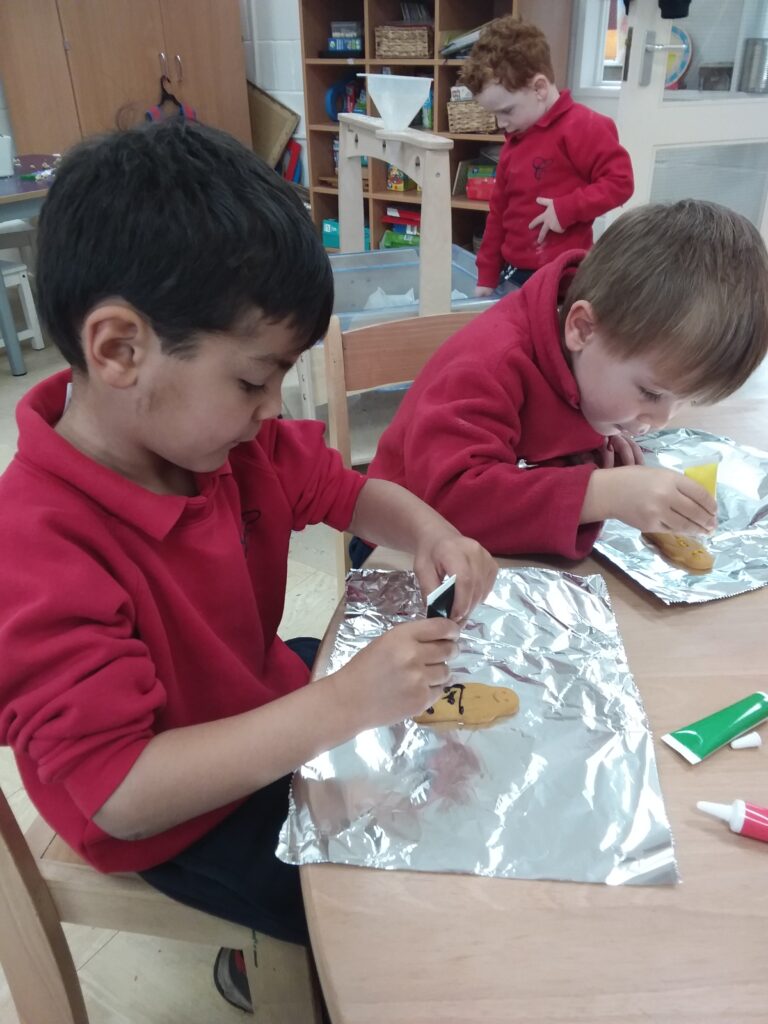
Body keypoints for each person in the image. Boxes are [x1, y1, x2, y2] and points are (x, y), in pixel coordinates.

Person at [0, 120, 497, 1014]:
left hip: (249, 699)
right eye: (253, 380)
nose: (274, 408)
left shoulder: (224, 446)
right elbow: (120, 792)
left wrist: (431, 533)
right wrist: (338, 706)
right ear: (119, 350)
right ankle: (262, 960)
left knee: (432, 742)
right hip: (171, 815)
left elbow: (346, 492)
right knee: (369, 909)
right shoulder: (35, 548)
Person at [360, 200, 768, 562]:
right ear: (583, 328)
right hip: (397, 543)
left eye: (683, 401)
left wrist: (600, 446)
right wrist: (603, 492)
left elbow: (554, 423)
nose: (661, 420)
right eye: (650, 393)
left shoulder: (590, 359)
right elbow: (451, 504)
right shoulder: (490, 364)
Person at [459, 16, 634, 295]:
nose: (500, 124)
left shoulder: (584, 126)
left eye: (506, 111)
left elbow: (620, 182)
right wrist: (486, 275)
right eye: (494, 115)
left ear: (539, 88)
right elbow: (498, 213)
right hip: (514, 272)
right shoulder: (514, 141)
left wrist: (566, 209)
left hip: (563, 276)